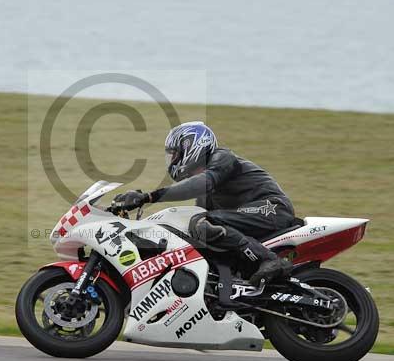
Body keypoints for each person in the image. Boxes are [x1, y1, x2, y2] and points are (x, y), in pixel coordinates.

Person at [116, 121, 296, 285]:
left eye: (175, 154)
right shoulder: (205, 194)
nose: (172, 161)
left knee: (202, 222)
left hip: (272, 209)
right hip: (252, 216)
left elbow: (200, 183)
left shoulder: (222, 158)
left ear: (193, 146)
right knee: (198, 231)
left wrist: (150, 197)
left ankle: (270, 260)